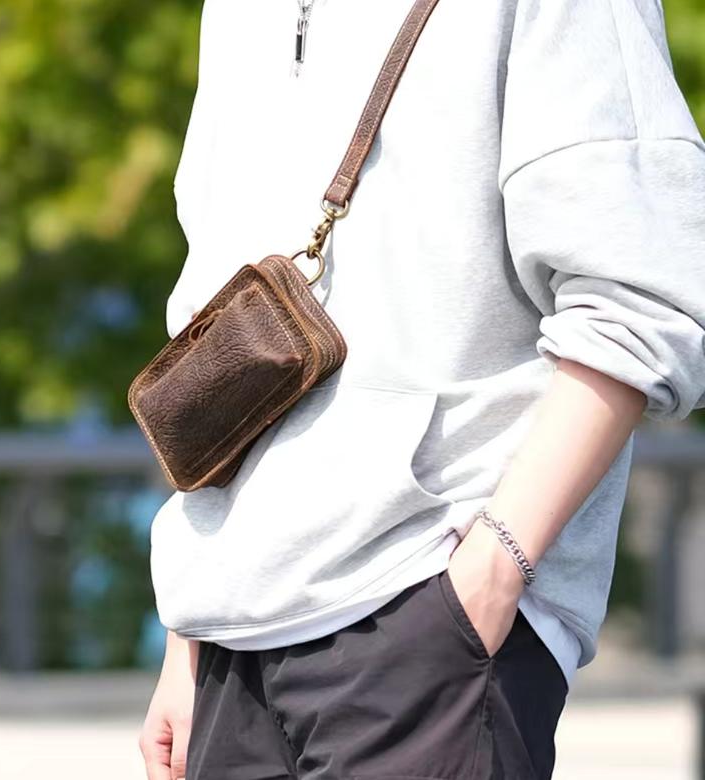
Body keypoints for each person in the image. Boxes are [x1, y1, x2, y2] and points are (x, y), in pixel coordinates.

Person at [139, 0, 705, 778]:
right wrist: (189, 628)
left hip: (425, 602)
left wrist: (494, 568)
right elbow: (213, 329)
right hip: (229, 643)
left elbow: (640, 295)